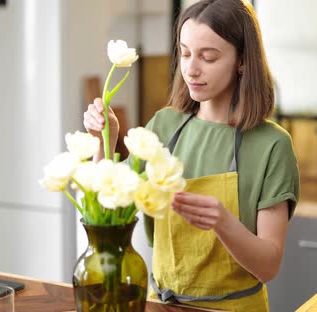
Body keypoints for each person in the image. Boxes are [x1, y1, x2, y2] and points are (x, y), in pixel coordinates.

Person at [83, 0, 299, 310]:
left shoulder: (272, 145)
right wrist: (107, 139)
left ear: (242, 61)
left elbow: (268, 266)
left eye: (208, 57)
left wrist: (223, 222)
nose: (191, 69)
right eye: (185, 54)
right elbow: (109, 205)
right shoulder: (164, 125)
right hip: (163, 305)